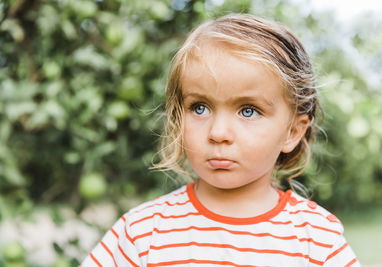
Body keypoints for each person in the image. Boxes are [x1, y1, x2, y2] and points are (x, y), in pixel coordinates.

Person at [81, 14, 360, 266]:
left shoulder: (317, 240)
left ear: (292, 132)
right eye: (200, 107)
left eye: (248, 111)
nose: (218, 133)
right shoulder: (142, 232)